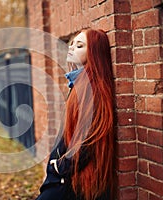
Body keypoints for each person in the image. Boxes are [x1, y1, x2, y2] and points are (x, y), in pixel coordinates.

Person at [36, 28, 116, 200]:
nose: (71, 48)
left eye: (79, 46)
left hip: (76, 181)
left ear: (94, 53)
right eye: (71, 44)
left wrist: (60, 167)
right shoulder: (79, 83)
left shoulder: (92, 88)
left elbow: (91, 137)